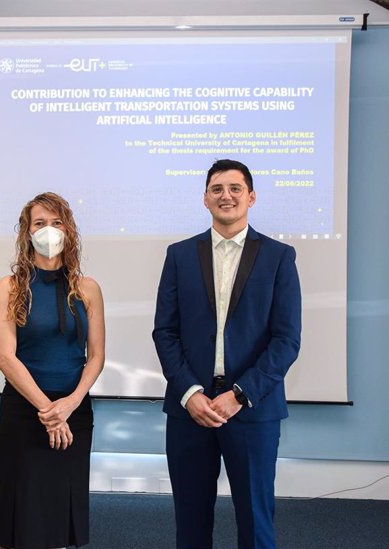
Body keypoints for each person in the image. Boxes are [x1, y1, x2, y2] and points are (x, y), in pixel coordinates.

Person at [152, 159, 301, 549]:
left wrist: (239, 395)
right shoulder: (179, 255)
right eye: (217, 188)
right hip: (190, 410)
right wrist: (189, 393)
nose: (226, 196)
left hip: (252, 410)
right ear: (205, 199)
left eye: (235, 188)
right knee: (190, 521)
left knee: (255, 521)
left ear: (251, 197)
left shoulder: (279, 257)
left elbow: (286, 340)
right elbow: (164, 332)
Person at [0, 192, 105, 549]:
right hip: (25, 413)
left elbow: (97, 356)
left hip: (74, 413)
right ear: (27, 232)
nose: (49, 231)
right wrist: (48, 411)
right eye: (40, 223)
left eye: (57, 223)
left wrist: (67, 405)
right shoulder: (8, 287)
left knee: (60, 516)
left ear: (69, 231)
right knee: (25, 516)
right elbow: (6, 358)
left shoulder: (88, 289)